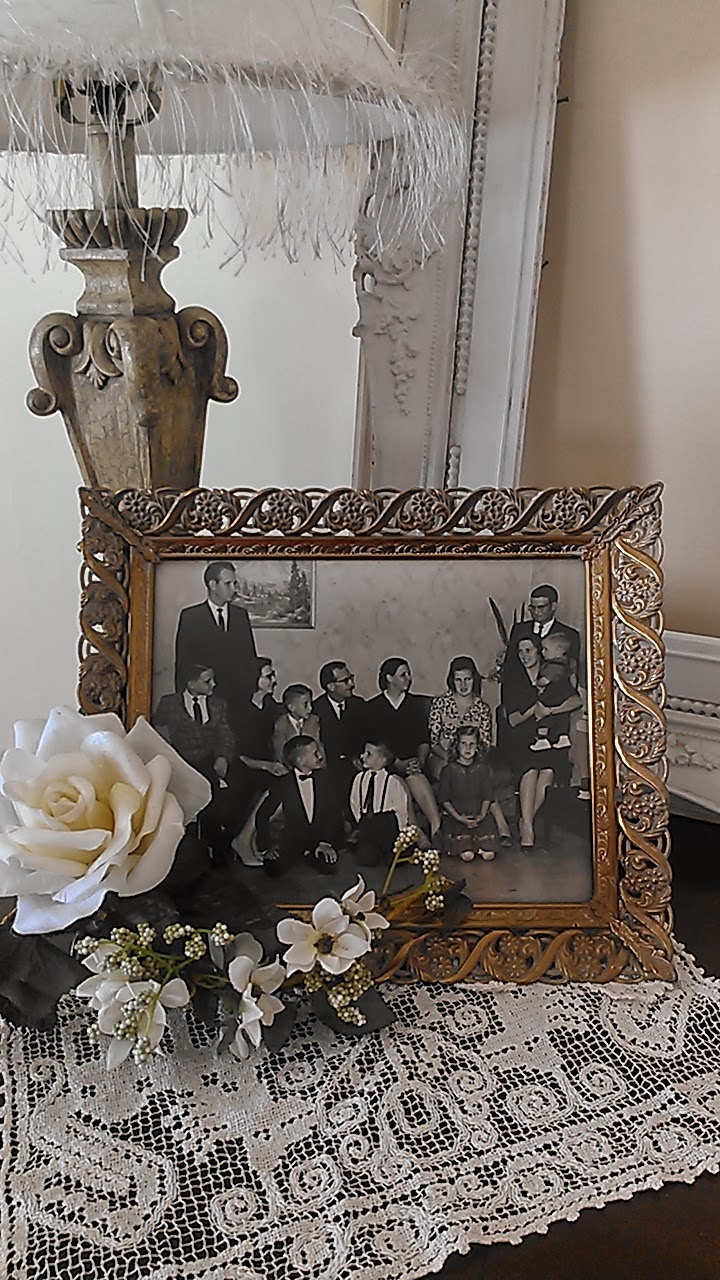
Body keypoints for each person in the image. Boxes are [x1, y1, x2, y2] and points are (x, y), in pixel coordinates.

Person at [501, 633, 580, 850]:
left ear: (539, 651)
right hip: (520, 737)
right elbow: (513, 720)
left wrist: (551, 710)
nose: (524, 655)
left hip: (548, 738)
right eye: (520, 651)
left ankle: (526, 821)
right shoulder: (513, 681)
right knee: (530, 768)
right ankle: (528, 828)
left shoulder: (554, 673)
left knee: (548, 770)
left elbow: (575, 700)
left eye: (528, 650)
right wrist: (534, 709)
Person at [152, 664, 235, 856]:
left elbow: (226, 735)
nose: (213, 684)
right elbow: (157, 729)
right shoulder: (169, 703)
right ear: (191, 684)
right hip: (179, 762)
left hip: (207, 760)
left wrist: (222, 757)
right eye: (207, 681)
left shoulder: (218, 704)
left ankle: (214, 848)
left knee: (213, 801)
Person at [362, 658, 441, 838]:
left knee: (415, 777)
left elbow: (423, 739)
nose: (408, 678)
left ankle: (436, 829)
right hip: (386, 764)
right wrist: (397, 763)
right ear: (389, 678)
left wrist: (420, 761)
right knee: (399, 782)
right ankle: (417, 835)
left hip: (413, 763)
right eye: (403, 675)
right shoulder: (373, 707)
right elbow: (376, 744)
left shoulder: (415, 704)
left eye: (408, 674)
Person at [174, 562, 257, 732]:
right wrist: (184, 698)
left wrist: (249, 689)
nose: (234, 589)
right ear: (212, 585)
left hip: (238, 701)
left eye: (234, 583)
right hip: (205, 700)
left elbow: (250, 657)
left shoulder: (240, 616)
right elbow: (183, 662)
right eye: (228, 584)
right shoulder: (191, 617)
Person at [256, 735, 344, 877]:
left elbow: (333, 813)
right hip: (293, 839)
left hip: (319, 838)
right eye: (315, 753)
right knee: (272, 868)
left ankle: (311, 854)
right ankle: (302, 854)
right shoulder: (283, 784)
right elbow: (262, 814)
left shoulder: (325, 779)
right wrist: (267, 846)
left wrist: (325, 842)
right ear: (300, 760)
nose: (320, 756)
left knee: (330, 867)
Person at [438, 725, 499, 862]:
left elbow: (487, 796)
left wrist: (482, 815)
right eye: (463, 744)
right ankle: (466, 846)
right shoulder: (448, 770)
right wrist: (458, 817)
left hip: (479, 818)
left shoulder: (483, 769)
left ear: (477, 746)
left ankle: (478, 845)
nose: (468, 748)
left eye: (472, 744)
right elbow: (444, 799)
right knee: (467, 856)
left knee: (489, 855)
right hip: (457, 819)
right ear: (457, 746)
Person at [427, 656, 493, 780]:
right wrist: (450, 758)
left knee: (474, 773)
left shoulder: (482, 708)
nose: (463, 685)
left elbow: (485, 744)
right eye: (458, 680)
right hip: (443, 757)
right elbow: (433, 742)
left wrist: (468, 760)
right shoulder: (440, 703)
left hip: (472, 759)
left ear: (474, 680)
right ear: (452, 681)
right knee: (452, 772)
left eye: (467, 679)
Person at [349, 741, 412, 864]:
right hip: (368, 823)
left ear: (382, 760)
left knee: (392, 859)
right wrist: (360, 820)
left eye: (369, 754)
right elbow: (354, 802)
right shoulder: (359, 778)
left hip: (386, 823)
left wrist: (401, 832)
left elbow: (401, 809)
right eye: (363, 752)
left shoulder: (392, 781)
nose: (362, 756)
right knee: (366, 859)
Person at [506, 584, 581, 686]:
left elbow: (572, 672)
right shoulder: (519, 630)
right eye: (532, 607)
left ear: (553, 606)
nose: (536, 612)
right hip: (519, 693)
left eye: (541, 607)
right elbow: (510, 666)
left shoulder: (570, 635)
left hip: (554, 694)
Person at [528, 633, 578, 753]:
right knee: (562, 718)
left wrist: (536, 683)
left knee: (543, 718)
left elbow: (545, 681)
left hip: (554, 695)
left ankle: (542, 739)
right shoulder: (567, 663)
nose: (542, 652)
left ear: (558, 651)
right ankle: (563, 737)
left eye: (546, 649)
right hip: (565, 695)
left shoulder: (554, 666)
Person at [312, 661, 365, 768]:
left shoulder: (359, 705)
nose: (352, 684)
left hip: (357, 767)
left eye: (351, 678)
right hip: (328, 768)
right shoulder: (316, 709)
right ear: (331, 686)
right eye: (346, 681)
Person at [272, 684, 322, 762]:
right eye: (305, 704)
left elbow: (319, 747)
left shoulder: (313, 721)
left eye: (311, 703)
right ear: (291, 707)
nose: (310, 708)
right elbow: (280, 756)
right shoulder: (281, 725)